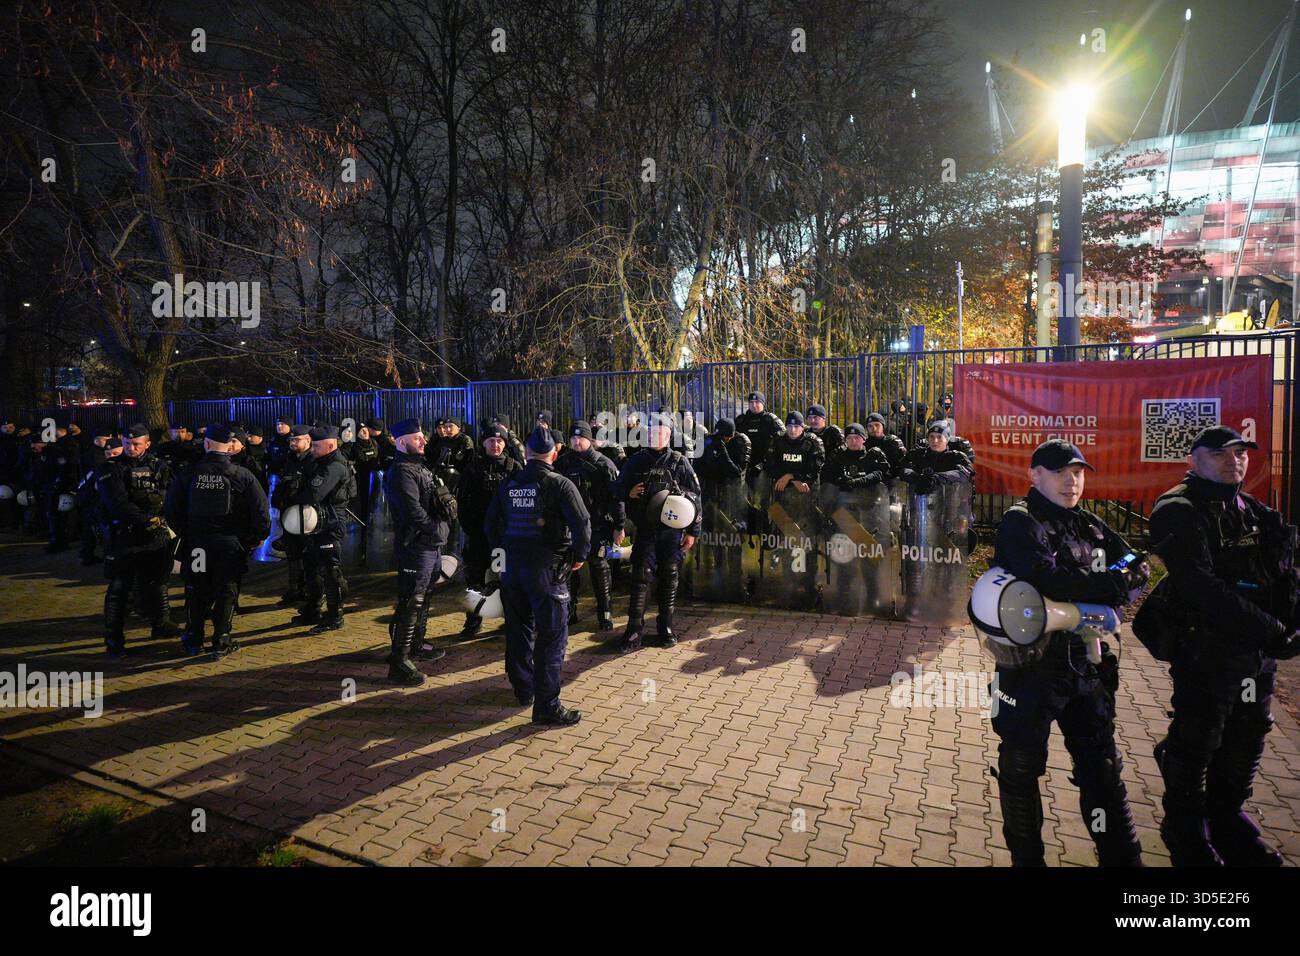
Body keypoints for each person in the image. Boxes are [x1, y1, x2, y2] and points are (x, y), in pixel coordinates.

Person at [988, 439, 1148, 867]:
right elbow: (1047, 578)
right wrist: (1109, 588)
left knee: (1101, 770)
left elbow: (1137, 564)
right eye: (1061, 472)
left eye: (1078, 472)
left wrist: (1120, 582)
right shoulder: (1020, 524)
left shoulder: (1090, 524)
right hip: (1033, 667)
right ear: (1034, 475)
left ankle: (1120, 857)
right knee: (1021, 769)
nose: (1072, 481)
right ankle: (1028, 860)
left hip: (1087, 664)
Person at [1146, 425, 1299, 867]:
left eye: (1240, 452)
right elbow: (1200, 586)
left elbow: (1280, 576)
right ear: (1193, 461)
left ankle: (1226, 819)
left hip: (1255, 654)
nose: (1235, 460)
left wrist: (1289, 623)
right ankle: (1185, 828)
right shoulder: (1178, 509)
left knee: (1248, 736)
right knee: (1199, 740)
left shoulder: (1251, 510)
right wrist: (1271, 628)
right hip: (1206, 651)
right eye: (1220, 453)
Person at [485, 427, 591, 725]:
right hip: (546, 570)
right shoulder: (560, 484)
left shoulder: (510, 483)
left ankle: (523, 688)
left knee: (518, 630)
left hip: (512, 569)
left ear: (527, 454)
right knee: (552, 637)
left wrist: (501, 552)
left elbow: (491, 523)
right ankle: (547, 706)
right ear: (554, 454)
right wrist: (579, 556)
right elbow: (582, 524)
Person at [165, 424, 270, 658]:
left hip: (198, 544)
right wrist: (252, 539)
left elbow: (171, 510)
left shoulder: (189, 474)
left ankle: (194, 638)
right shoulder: (242, 475)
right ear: (229, 447)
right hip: (229, 546)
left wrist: (187, 533)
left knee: (195, 588)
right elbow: (262, 512)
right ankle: (221, 639)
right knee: (226, 589)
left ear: (207, 444)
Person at [615, 411, 702, 652]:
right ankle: (633, 631)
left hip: (672, 532)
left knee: (669, 578)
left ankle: (665, 629)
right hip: (645, 530)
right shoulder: (635, 461)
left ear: (669, 434)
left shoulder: (679, 462)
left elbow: (696, 497)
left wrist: (694, 531)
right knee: (640, 579)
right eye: (652, 432)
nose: (656, 436)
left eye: (662, 432)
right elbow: (617, 490)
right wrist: (628, 493)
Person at [384, 418, 460, 683]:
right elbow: (412, 511)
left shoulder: (417, 466)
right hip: (415, 545)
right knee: (411, 600)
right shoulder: (401, 471)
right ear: (402, 442)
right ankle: (399, 661)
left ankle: (415, 645)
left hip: (429, 545)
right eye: (417, 438)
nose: (424, 441)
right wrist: (435, 529)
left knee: (424, 595)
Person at [97, 423, 180, 656]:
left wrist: (167, 522)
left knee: (157, 581)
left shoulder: (159, 466)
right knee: (120, 588)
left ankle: (161, 623)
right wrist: (148, 521)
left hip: (154, 537)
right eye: (126, 443)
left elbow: (171, 494)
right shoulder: (111, 468)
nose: (130, 448)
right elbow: (117, 504)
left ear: (147, 444)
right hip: (124, 537)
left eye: (136, 444)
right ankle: (114, 637)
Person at [558, 420, 625, 632]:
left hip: (597, 524)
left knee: (599, 567)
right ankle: (569, 611)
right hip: (569, 527)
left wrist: (619, 524)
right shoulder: (563, 463)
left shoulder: (603, 464)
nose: (577, 442)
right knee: (569, 569)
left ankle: (604, 612)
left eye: (582, 438)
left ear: (590, 439)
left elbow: (617, 497)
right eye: (574, 438)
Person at [457, 422, 521, 638]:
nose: (496, 445)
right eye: (491, 441)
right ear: (484, 443)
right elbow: (462, 502)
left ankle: (511, 622)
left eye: (500, 441)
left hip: (503, 539)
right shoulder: (473, 469)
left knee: (505, 580)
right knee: (474, 581)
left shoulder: (514, 468)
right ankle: (473, 622)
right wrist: (470, 528)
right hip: (478, 538)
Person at [293, 424, 355, 633]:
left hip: (330, 524)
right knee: (312, 568)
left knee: (331, 571)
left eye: (316, 446)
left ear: (330, 445)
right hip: (317, 522)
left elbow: (313, 494)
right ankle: (313, 608)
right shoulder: (321, 462)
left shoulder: (334, 466)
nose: (312, 449)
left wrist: (297, 488)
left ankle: (335, 614)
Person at [761, 411, 826, 609]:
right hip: (785, 501)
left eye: (796, 426)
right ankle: (787, 586)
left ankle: (809, 588)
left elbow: (816, 467)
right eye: (789, 426)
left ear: (803, 427)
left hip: (807, 502)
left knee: (807, 544)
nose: (792, 430)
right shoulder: (778, 440)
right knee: (787, 543)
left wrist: (792, 476)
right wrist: (789, 477)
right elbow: (770, 465)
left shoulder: (813, 442)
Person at [271, 425, 313, 606]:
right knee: (292, 554)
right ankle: (294, 589)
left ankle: (309, 592)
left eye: (297, 440)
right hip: (289, 512)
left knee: (308, 554)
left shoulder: (312, 460)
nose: (293, 442)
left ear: (308, 440)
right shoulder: (289, 458)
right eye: (291, 440)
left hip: (306, 514)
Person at [862, 412, 908, 476]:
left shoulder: (892, 441)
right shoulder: (865, 445)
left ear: (883, 426)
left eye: (877, 425)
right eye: (870, 426)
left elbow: (904, 463)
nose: (874, 429)